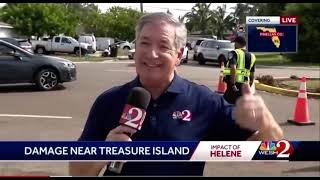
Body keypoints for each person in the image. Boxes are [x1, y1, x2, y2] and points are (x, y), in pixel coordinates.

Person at [69, 12, 283, 176]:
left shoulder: (204, 102)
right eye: (144, 43)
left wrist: (266, 121)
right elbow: (77, 172)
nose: (152, 54)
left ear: (179, 55)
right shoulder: (109, 101)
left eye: (163, 46)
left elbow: (272, 152)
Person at [223, 36, 256, 104]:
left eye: (235, 43)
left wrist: (232, 84)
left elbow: (233, 68)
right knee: (241, 106)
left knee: (226, 105)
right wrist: (249, 85)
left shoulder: (234, 53)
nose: (234, 45)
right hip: (245, 85)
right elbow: (252, 74)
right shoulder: (252, 56)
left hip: (234, 85)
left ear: (238, 43)